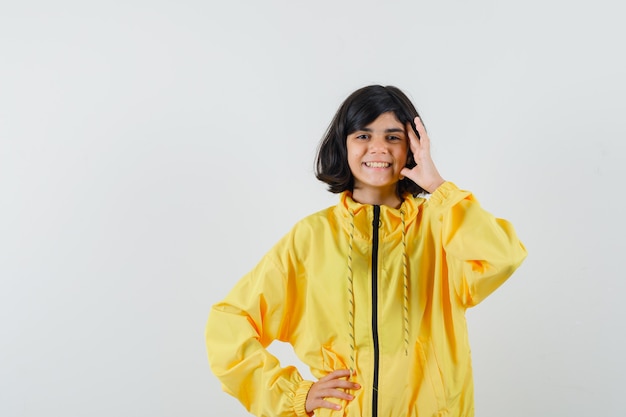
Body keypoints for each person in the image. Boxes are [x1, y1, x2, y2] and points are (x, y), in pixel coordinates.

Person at [205, 85, 527, 417]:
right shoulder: (312, 238)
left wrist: (438, 187)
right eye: (362, 136)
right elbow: (229, 323)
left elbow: (503, 256)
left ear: (413, 147)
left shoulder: (442, 225)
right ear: (343, 145)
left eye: (392, 137)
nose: (378, 148)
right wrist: (295, 394)